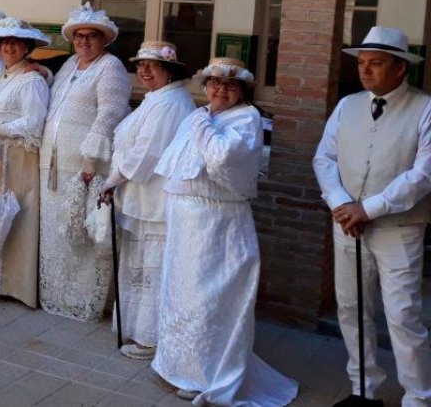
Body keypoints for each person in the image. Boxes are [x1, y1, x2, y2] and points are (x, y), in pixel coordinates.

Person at [152, 57, 298, 404]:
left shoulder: (246, 119)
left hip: (217, 224)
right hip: (185, 223)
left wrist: (203, 123)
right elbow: (175, 164)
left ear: (242, 92)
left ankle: (207, 373)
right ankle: (178, 365)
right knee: (182, 294)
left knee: (210, 298)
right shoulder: (199, 115)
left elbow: (221, 157)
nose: (220, 90)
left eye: (229, 86)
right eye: (214, 84)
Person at [314, 26, 431, 406]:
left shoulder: (425, 108)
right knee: (350, 307)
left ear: (400, 68)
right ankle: (363, 389)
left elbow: (423, 174)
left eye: (375, 63)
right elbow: (324, 158)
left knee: (403, 315)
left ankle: (418, 396)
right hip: (347, 224)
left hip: (399, 228)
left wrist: (369, 207)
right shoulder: (348, 105)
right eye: (362, 63)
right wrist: (340, 203)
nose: (365, 71)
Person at [97, 41, 193, 359]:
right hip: (141, 197)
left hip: (157, 200)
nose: (145, 71)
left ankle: (152, 338)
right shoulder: (157, 98)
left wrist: (111, 180)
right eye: (140, 65)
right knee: (138, 265)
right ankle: (135, 328)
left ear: (170, 70)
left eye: (152, 65)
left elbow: (147, 153)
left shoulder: (172, 102)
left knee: (153, 268)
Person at [39, 2, 130, 321]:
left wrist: (91, 159)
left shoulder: (111, 67)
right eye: (79, 36)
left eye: (92, 36)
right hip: (52, 165)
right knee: (58, 232)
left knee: (83, 234)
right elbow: (58, 100)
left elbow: (111, 113)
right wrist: (44, 72)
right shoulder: (69, 67)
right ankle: (58, 296)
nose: (84, 41)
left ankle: (86, 301)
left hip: (84, 168)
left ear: (104, 39)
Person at [0, 17, 51, 307]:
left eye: (16, 42)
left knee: (14, 214)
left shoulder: (31, 80)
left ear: (27, 47)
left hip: (17, 159)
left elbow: (34, 122)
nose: (10, 47)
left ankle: (14, 284)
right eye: (5, 42)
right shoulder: (1, 77)